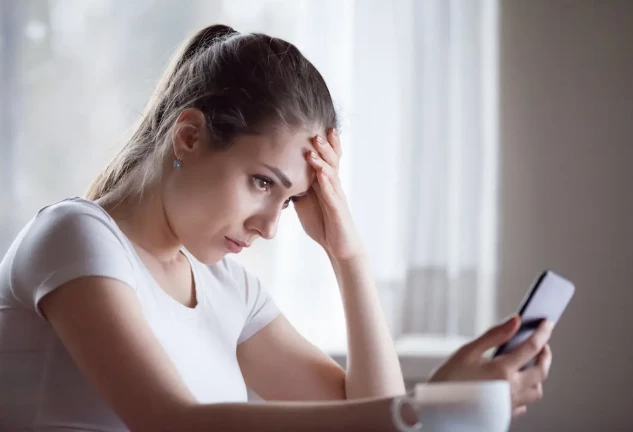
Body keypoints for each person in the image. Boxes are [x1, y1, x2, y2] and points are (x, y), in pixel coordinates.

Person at [0, 24, 553, 431]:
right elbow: (169, 421)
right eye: (263, 182)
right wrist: (430, 406)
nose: (268, 227)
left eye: (289, 200)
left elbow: (363, 411)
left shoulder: (226, 288)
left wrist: (347, 254)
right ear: (189, 136)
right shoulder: (77, 235)